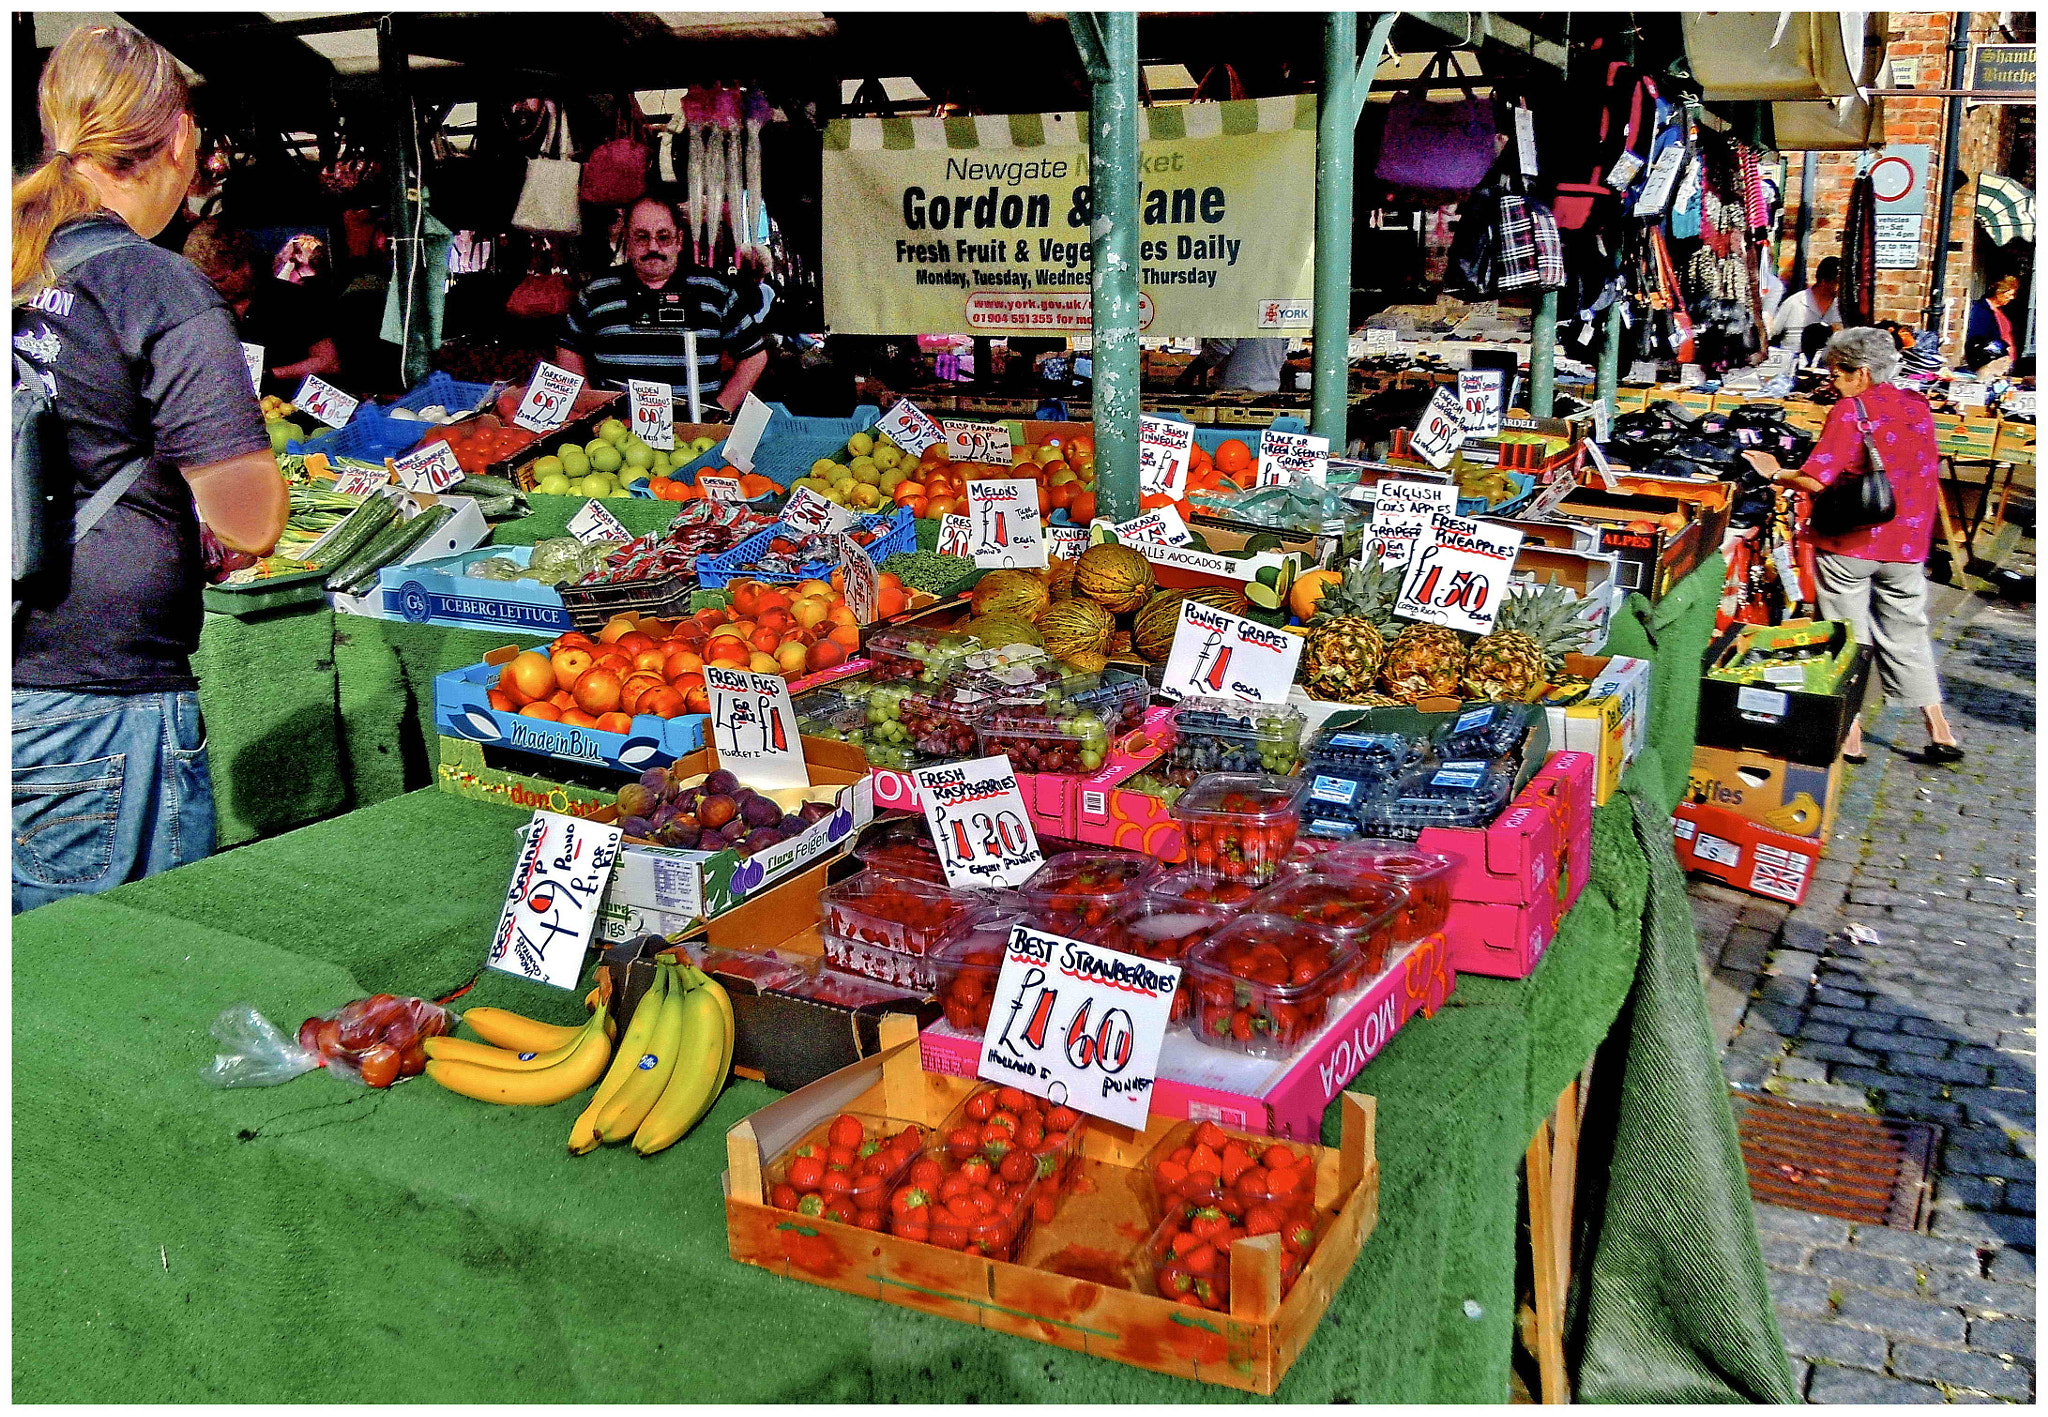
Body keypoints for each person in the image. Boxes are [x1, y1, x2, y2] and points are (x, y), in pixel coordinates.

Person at [11, 25, 290, 914]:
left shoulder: (18, 260)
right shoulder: (156, 284)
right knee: (118, 980)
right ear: (175, 140)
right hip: (100, 709)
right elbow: (250, 518)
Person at [1741, 327, 1963, 766]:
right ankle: (1940, 729)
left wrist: (1775, 472)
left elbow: (1816, 478)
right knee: (1908, 634)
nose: (1831, 379)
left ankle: (1851, 734)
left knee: (1848, 637)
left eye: (1837, 371)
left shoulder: (1850, 411)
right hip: (1908, 540)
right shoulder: (1917, 405)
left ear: (1860, 373)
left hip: (1852, 541)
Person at [554, 190, 768, 415]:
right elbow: (568, 347)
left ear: (679, 240)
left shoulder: (714, 289)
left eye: (663, 237)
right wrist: (589, 406)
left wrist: (720, 410)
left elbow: (754, 356)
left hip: (696, 434)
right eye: (642, 236)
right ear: (627, 239)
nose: (653, 247)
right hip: (615, 433)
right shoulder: (596, 291)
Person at [181, 218, 342, 401]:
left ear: (243, 267)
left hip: (289, 407)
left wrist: (268, 375)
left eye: (220, 280)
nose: (213, 287)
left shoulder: (293, 299)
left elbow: (329, 362)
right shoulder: (202, 308)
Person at [1767, 255, 1842, 356]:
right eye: (1838, 282)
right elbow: (1772, 333)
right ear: (1824, 282)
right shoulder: (1795, 302)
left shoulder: (1841, 307)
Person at [1176, 337, 1289, 393]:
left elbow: (1219, 348)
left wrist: (1189, 374)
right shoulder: (1278, 310)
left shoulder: (1238, 309)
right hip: (1269, 391)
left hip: (1234, 393)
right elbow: (1282, 355)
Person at [1965, 274, 2021, 378]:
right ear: (1998, 293)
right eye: (2009, 294)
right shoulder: (1980, 310)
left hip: (2003, 363)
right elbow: (1977, 337)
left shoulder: (2001, 311)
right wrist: (2003, 347)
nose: (2012, 298)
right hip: (1990, 363)